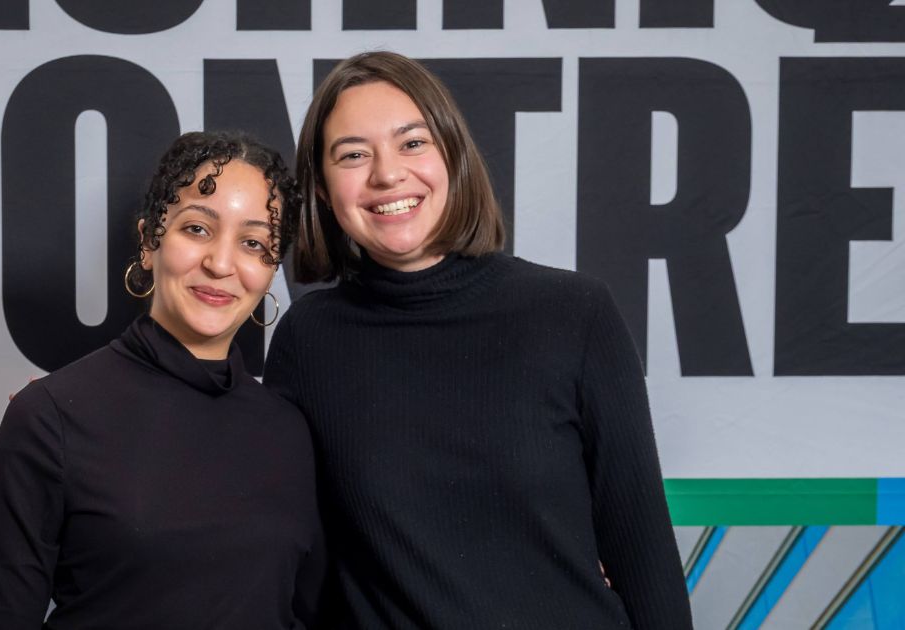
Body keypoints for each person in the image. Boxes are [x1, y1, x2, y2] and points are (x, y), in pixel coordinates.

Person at [264, 51, 693, 628]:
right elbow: (295, 558)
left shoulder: (575, 314)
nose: (387, 174)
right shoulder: (308, 340)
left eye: (413, 143)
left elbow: (642, 551)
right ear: (321, 187)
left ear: (453, 155)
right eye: (354, 155)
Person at [0, 131, 325, 629]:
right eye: (197, 229)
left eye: (253, 243)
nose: (221, 264)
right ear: (147, 242)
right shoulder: (50, 416)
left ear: (270, 271)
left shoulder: (289, 430)